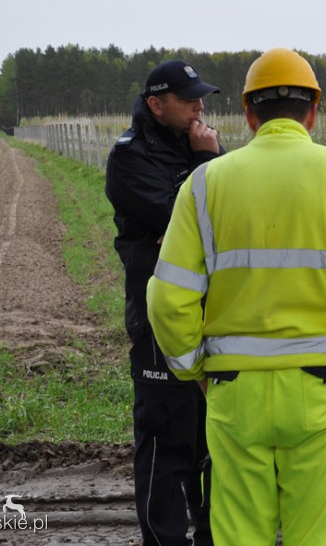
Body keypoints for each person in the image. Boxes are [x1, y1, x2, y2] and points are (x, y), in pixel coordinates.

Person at [146, 48, 326, 546]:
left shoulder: (205, 184)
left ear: (248, 114)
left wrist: (194, 371)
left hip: (235, 395)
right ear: (314, 111)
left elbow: (167, 297)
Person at [105, 59, 224, 546]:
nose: (200, 107)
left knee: (212, 439)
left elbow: (220, 219)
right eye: (188, 99)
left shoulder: (204, 148)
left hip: (212, 313)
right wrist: (204, 164)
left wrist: (205, 165)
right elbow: (189, 219)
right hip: (158, 319)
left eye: (201, 98)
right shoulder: (129, 158)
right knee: (163, 439)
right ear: (156, 104)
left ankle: (213, 536)